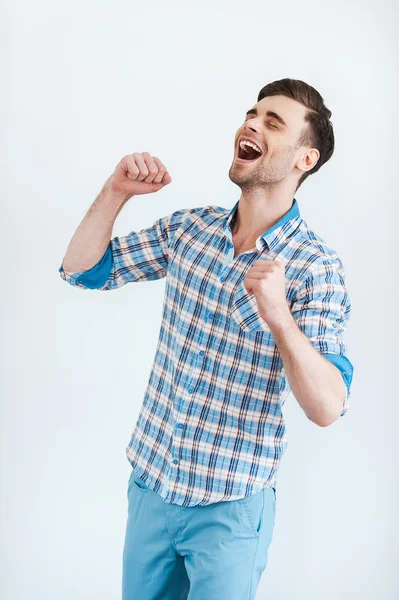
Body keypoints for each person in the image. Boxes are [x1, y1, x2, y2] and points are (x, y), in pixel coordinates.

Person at [59, 77, 354, 600]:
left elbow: (328, 406)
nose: (251, 124)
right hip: (152, 485)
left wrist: (281, 318)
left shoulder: (315, 268)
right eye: (252, 114)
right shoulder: (189, 230)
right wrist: (116, 191)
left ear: (304, 160)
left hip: (230, 507)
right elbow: (82, 271)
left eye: (272, 122)